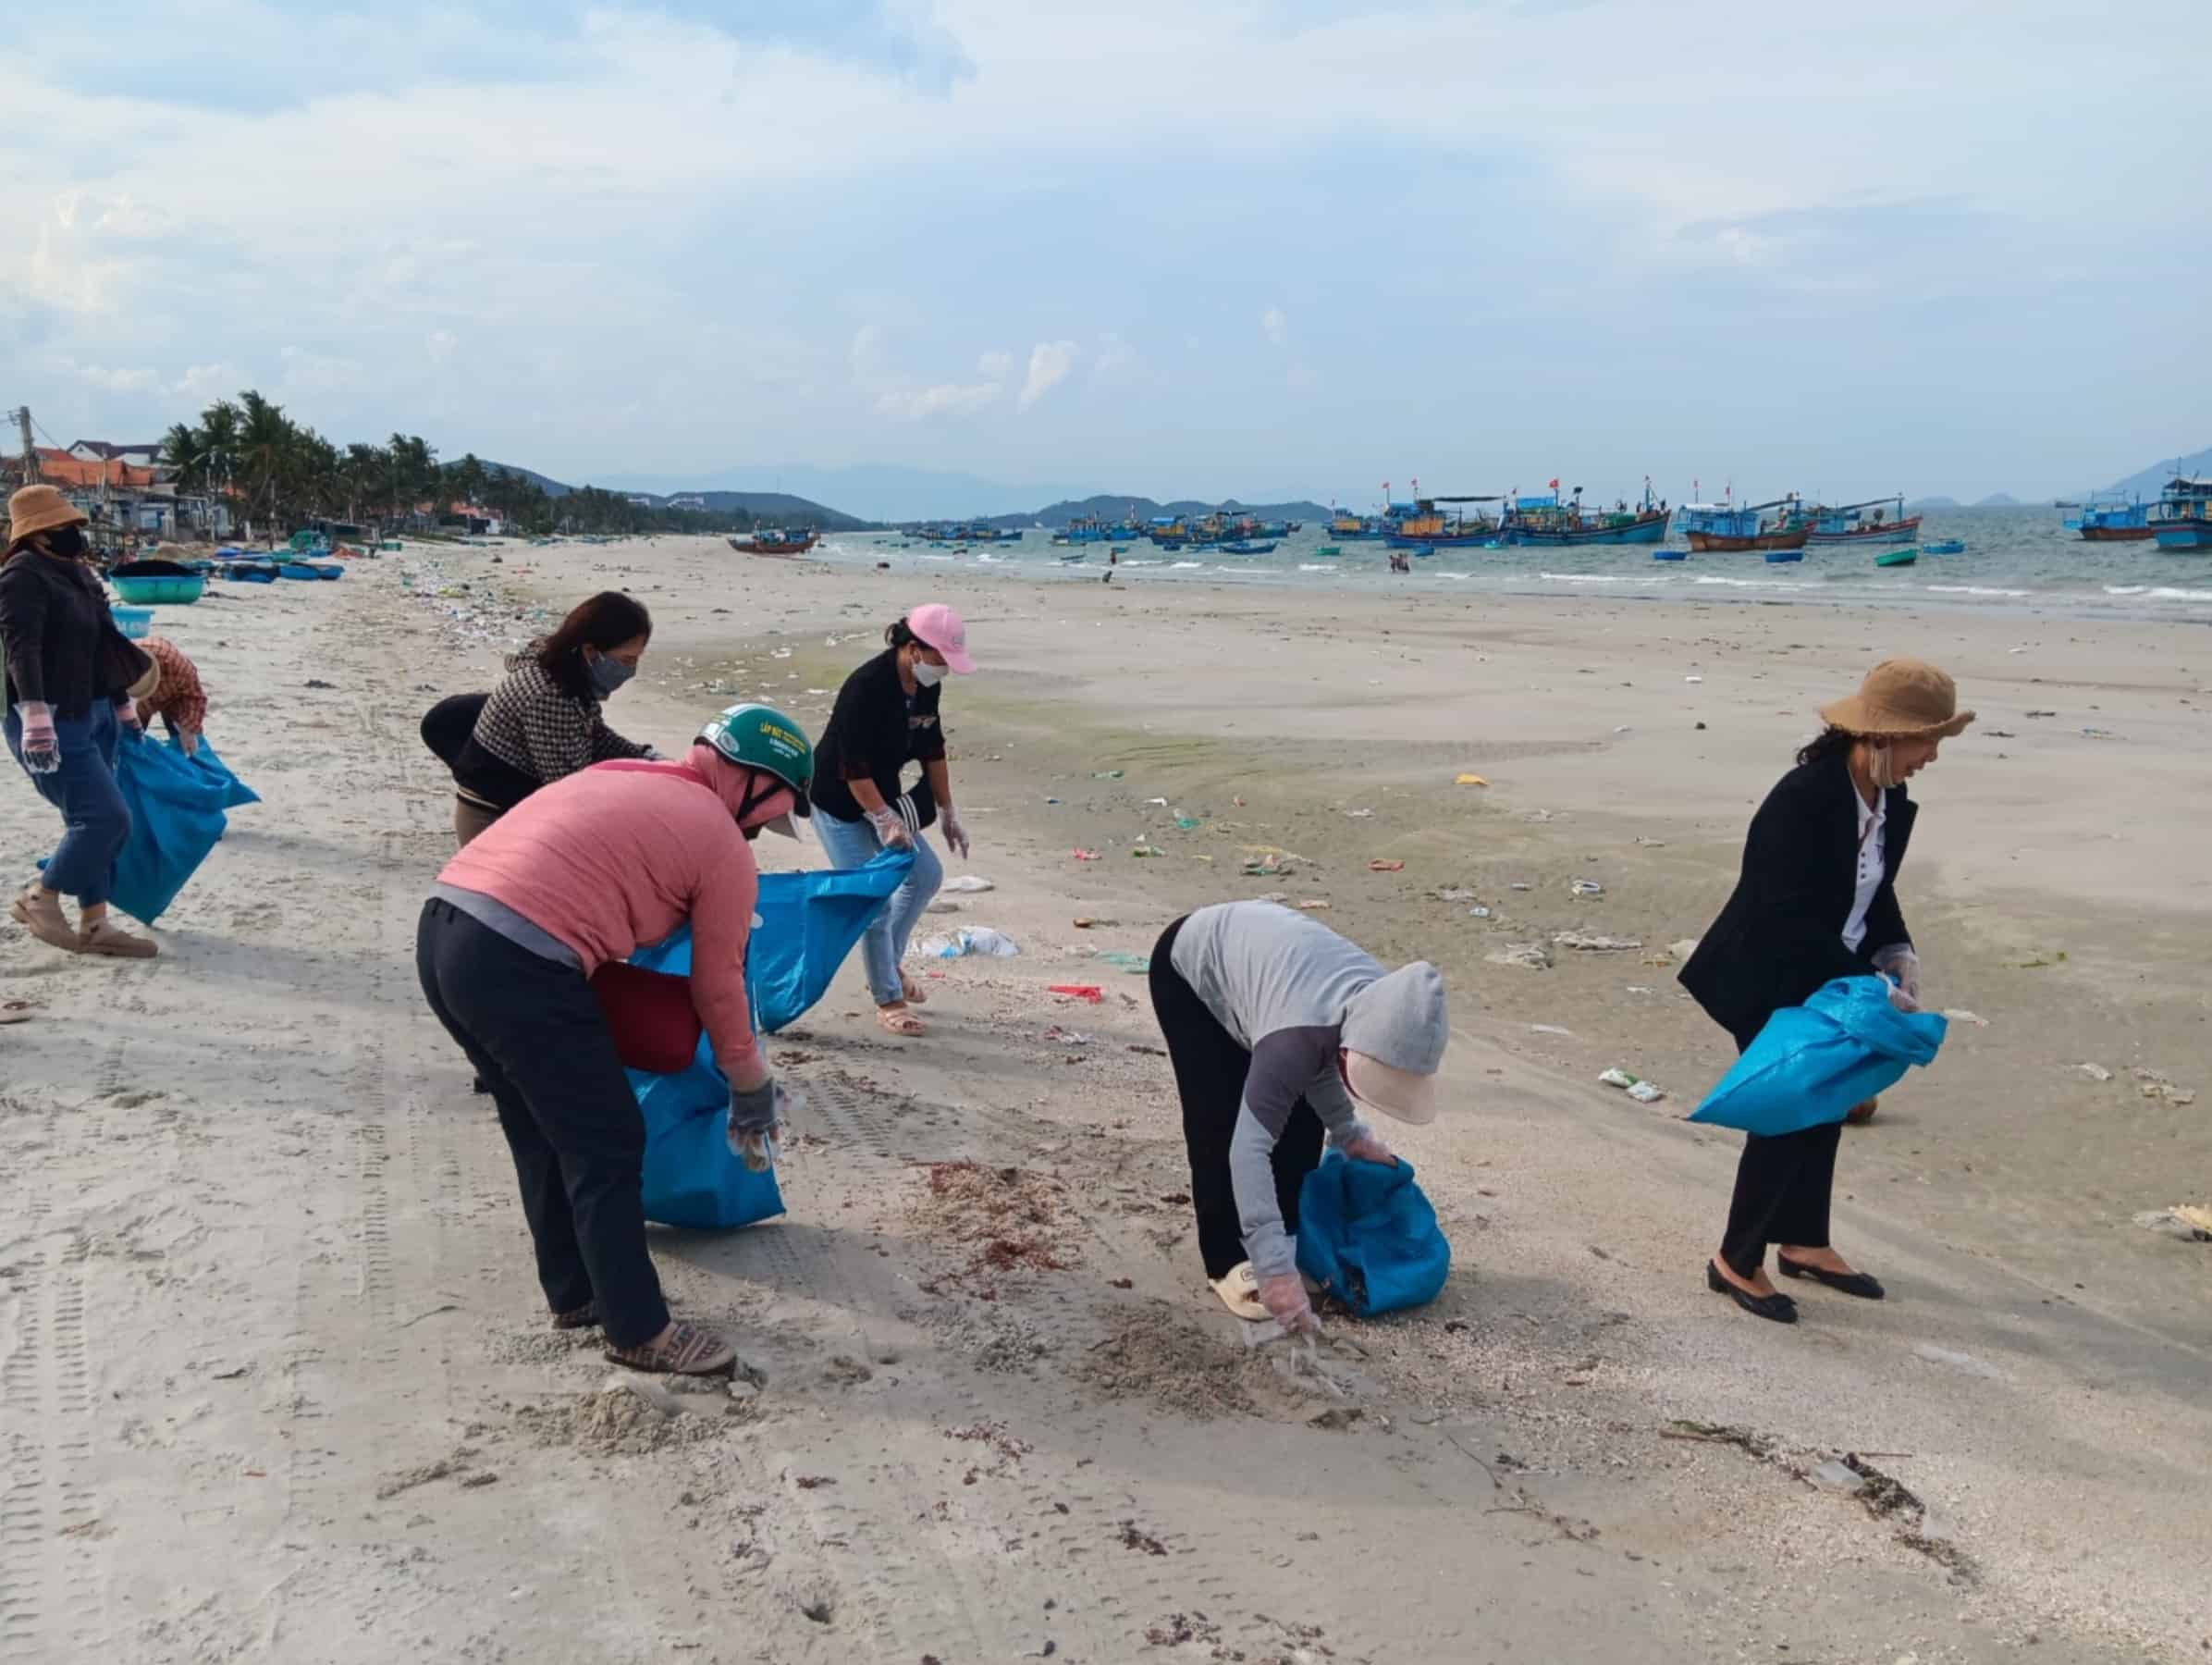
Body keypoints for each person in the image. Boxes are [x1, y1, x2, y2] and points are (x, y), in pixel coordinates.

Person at [416, 702, 814, 1375]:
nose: (762, 832)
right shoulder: (719, 839)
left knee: (540, 1128)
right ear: (752, 780)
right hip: (519, 961)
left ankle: (575, 1294)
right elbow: (719, 988)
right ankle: (640, 1331)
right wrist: (751, 1087)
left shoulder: (630, 773)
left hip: (443, 932)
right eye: (772, 811)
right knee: (608, 1141)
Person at [1679, 660, 1972, 1324]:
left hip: (1830, 973)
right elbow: (1781, 909)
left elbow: (1877, 887)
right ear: (1883, 737)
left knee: (1827, 1105)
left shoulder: (1886, 797)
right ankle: (1735, 1259)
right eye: (1928, 741)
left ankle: (1804, 1243)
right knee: (1788, 1112)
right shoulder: (1804, 797)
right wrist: (1864, 986)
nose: (1932, 756)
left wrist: (1896, 950)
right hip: (1764, 972)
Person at [1148, 900, 1450, 1334]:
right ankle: (1227, 1259)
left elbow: (1322, 1061)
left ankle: (1286, 1232)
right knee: (1220, 1120)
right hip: (1192, 970)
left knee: (1304, 1124)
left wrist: (1350, 1135)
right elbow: (1249, 1148)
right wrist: (1276, 1275)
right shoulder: (1296, 1035)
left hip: (1279, 987)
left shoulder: (1396, 1002)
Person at [0, 485, 157, 958]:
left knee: (101, 821)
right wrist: (34, 718)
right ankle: (40, 897)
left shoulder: (78, 574)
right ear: (37, 534)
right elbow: (20, 649)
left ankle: (95, 924)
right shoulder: (21, 575)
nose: (73, 533)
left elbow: (103, 644)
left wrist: (124, 705)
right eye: (62, 527)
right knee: (103, 817)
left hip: (96, 711)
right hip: (50, 718)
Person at [808, 605, 976, 1038]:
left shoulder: (924, 688)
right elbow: (852, 767)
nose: (945, 671)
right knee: (875, 903)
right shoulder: (866, 688)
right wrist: (883, 819)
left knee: (926, 876)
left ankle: (889, 965)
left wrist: (948, 811)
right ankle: (887, 998)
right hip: (840, 801)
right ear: (913, 649)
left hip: (881, 794)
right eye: (940, 659)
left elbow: (932, 747)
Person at [447, 591, 657, 845]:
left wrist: (646, 760)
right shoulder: (550, 695)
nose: (630, 670)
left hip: (516, 804)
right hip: (493, 819)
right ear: (591, 651)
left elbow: (595, 736)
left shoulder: (566, 674)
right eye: (626, 659)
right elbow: (567, 789)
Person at [136, 635, 208, 757]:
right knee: (131, 741)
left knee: (186, 739)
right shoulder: (116, 669)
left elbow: (195, 696)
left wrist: (188, 729)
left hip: (174, 694)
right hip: (136, 703)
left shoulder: (176, 666)